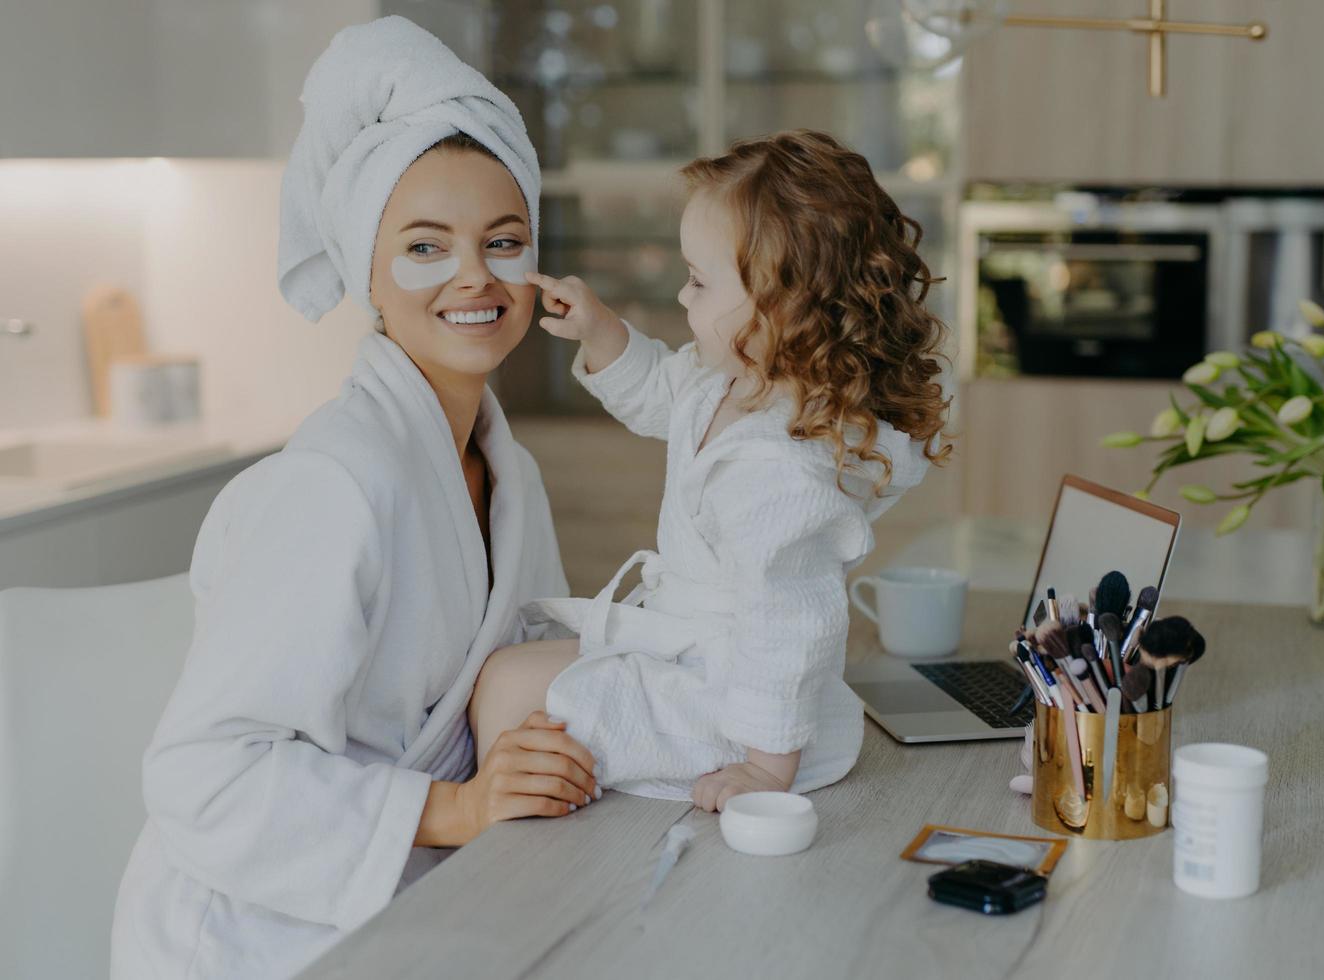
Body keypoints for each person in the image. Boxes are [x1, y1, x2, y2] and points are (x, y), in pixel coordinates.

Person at [111, 17, 594, 979]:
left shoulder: (512, 474)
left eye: (504, 242)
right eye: (426, 246)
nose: (474, 276)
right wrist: (460, 808)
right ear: (368, 274)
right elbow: (204, 778)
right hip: (256, 934)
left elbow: (532, 683)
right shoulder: (336, 484)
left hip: (427, 894)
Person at [470, 130, 953, 811]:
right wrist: (603, 332)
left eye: (698, 280)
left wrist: (764, 770)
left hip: (733, 711)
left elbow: (789, 624)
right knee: (510, 669)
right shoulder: (729, 379)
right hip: (693, 654)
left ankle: (511, 854)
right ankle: (508, 829)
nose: (681, 293)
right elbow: (662, 395)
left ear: (782, 307)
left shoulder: (778, 468)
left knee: (511, 692)